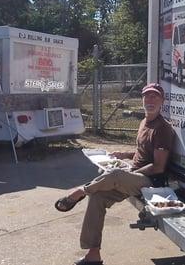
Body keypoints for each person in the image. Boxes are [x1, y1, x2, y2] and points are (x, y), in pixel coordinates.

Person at [54, 83, 175, 265]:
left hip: (150, 182)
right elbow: (142, 152)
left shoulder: (163, 128)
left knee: (116, 175)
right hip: (134, 176)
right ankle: (93, 254)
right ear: (142, 99)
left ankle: (80, 191)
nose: (150, 100)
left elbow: (158, 166)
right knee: (97, 197)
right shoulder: (144, 122)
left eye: (155, 97)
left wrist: (129, 172)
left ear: (162, 101)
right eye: (147, 96)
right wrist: (124, 155)